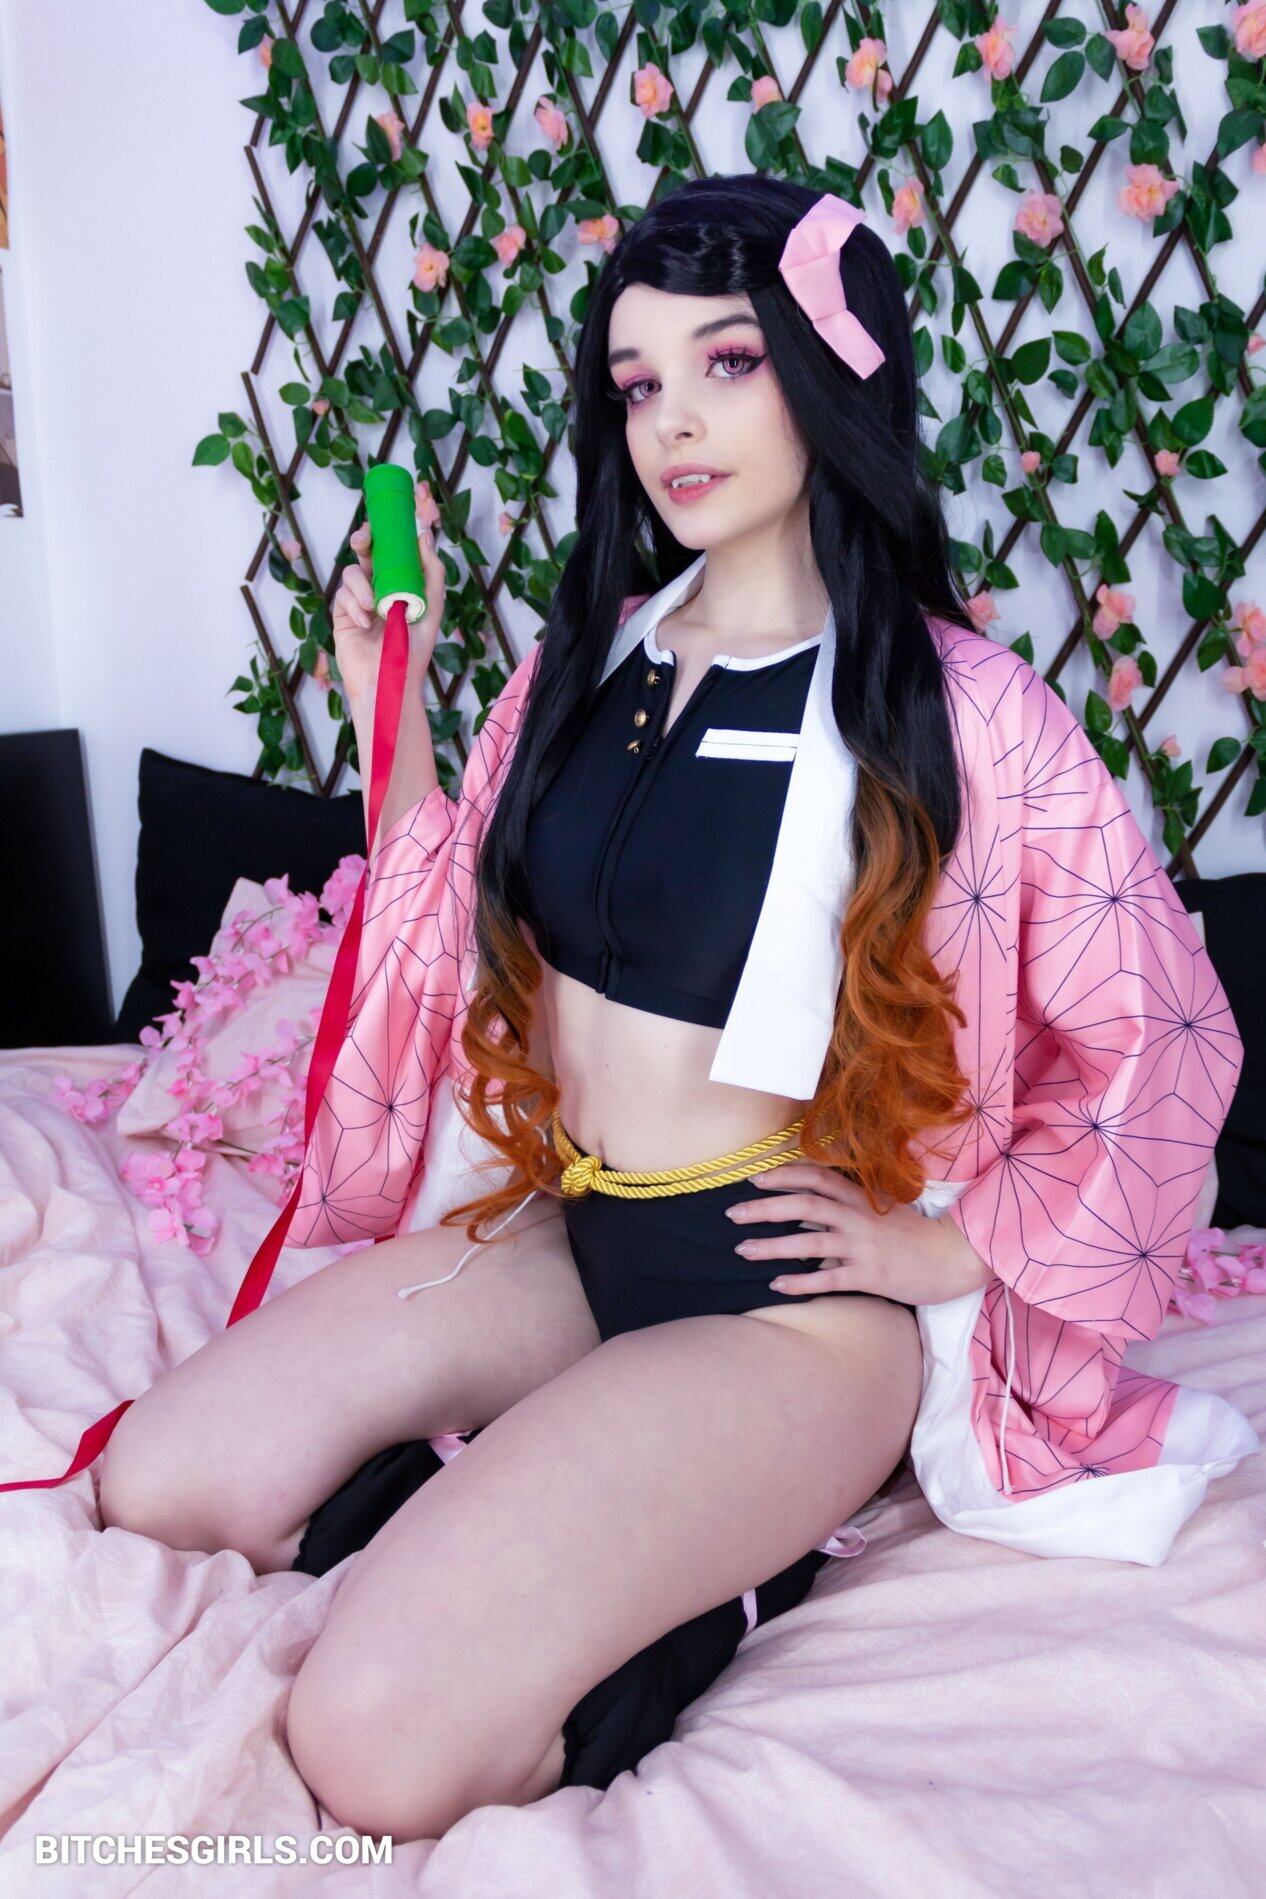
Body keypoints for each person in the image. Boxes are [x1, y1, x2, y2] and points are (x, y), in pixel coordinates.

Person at [66, 174, 1260, 1841]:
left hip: (783, 1308)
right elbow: (446, 926)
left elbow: (1157, 1035)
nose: (672, 423)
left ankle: (716, 1591)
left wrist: (953, 1251)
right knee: (165, 1483)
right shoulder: (596, 657)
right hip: (575, 1231)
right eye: (637, 384)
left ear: (828, 374)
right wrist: (383, 717)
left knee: (379, 1745)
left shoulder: (961, 713)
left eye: (728, 363)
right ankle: (495, 1501)